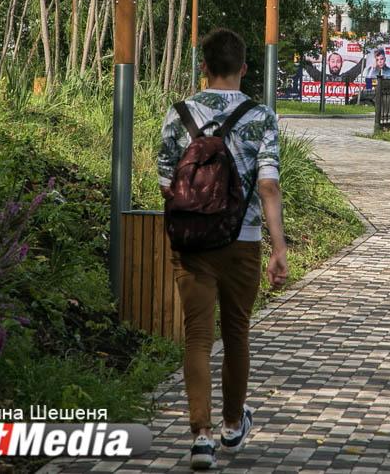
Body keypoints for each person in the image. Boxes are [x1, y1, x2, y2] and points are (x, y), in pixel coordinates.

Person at [157, 28, 289, 469]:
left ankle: (201, 438)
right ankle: (233, 425)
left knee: (197, 338)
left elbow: (165, 184)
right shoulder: (260, 117)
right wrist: (279, 247)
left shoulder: (179, 115)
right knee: (236, 334)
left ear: (204, 67)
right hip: (243, 243)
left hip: (193, 246)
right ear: (244, 68)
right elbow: (268, 185)